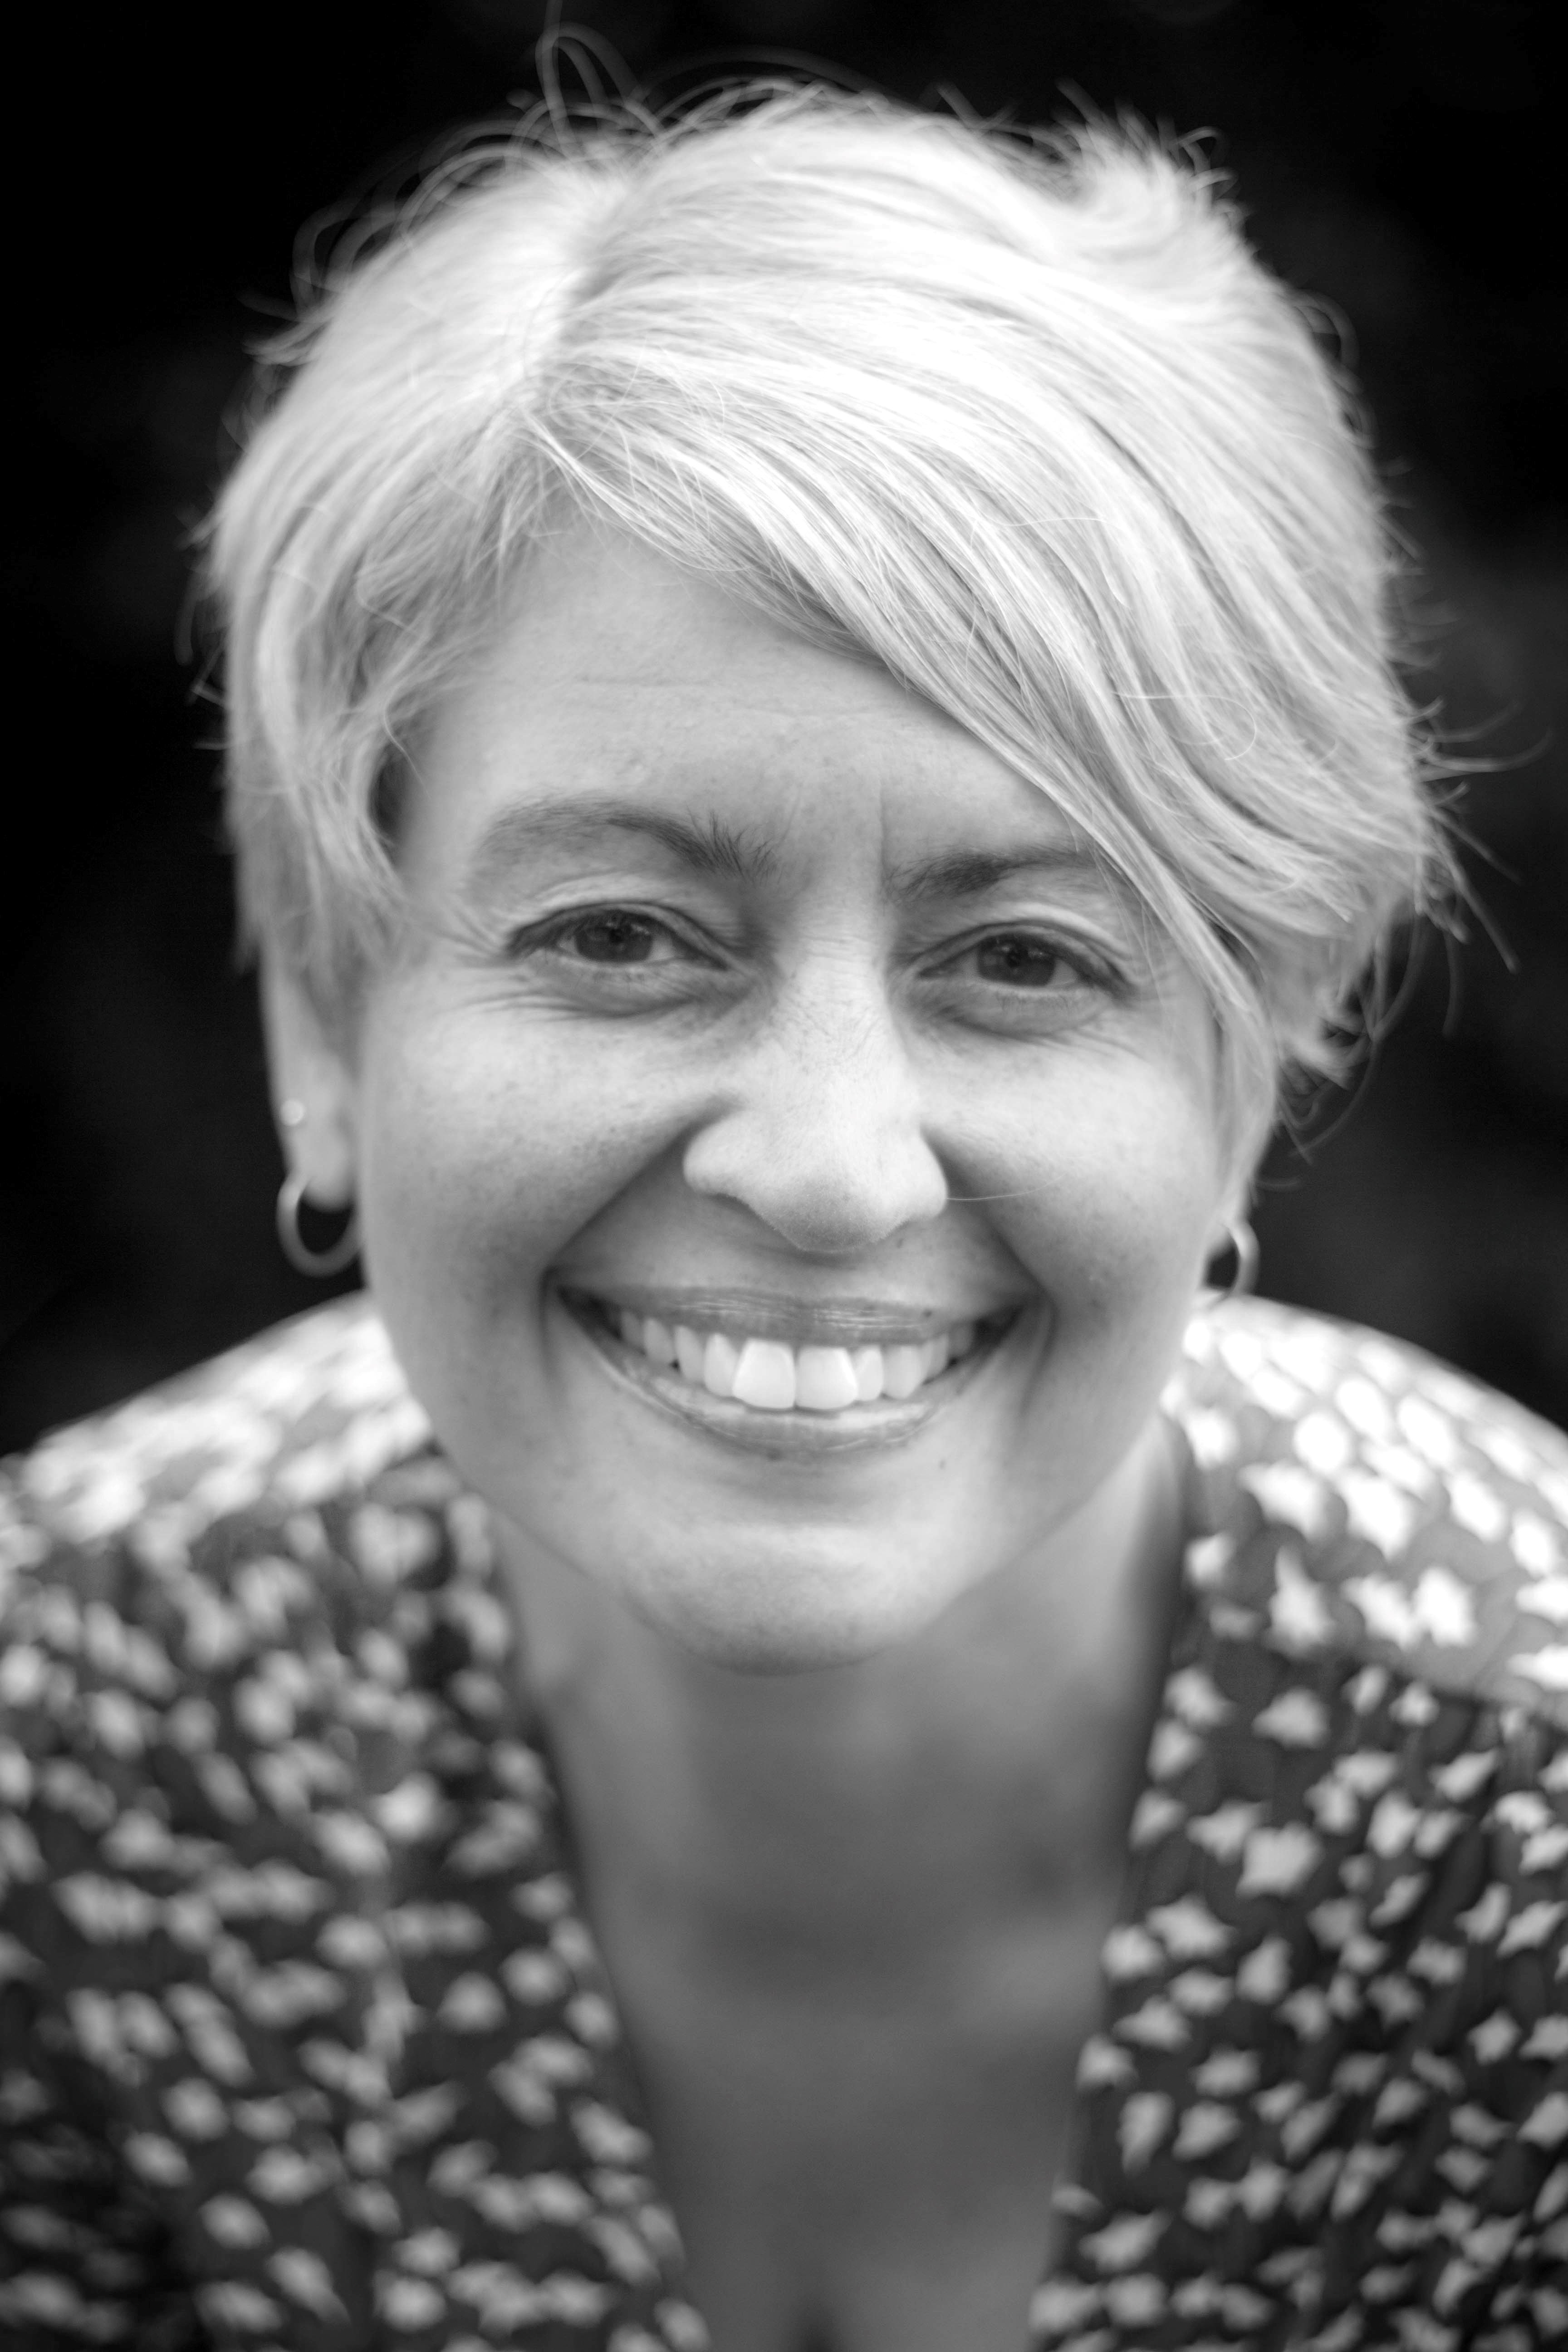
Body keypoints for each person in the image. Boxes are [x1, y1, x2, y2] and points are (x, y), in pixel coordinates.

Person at [3, 79, 1567, 2352]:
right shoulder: (71, 1728)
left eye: (1023, 958)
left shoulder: (1526, 1821)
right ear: (327, 1020)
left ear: (1249, 1077)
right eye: (622, 934)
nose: (833, 1172)